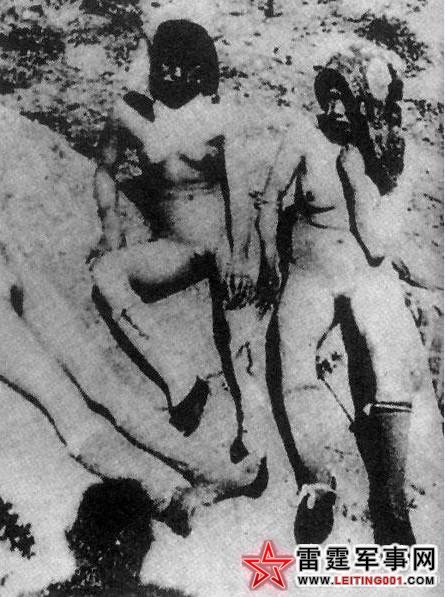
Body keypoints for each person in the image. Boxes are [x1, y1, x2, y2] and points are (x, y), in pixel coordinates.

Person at [256, 53, 438, 546]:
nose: (335, 108)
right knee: (291, 352)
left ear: (367, 105)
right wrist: (269, 254)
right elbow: (270, 198)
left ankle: (391, 501)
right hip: (311, 272)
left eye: (347, 99)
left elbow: (383, 236)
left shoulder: (386, 148)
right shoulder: (303, 134)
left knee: (391, 360)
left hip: (367, 273)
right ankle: (316, 484)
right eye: (330, 95)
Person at [0, 232, 266, 542]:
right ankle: (167, 498)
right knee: (65, 404)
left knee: (103, 381)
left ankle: (209, 471)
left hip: (7, 257)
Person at [90, 19, 258, 464]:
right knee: (106, 273)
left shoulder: (220, 113)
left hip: (222, 241)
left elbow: (240, 191)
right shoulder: (131, 113)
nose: (170, 71)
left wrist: (240, 254)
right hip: (176, 247)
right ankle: (181, 380)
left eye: (182, 63)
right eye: (163, 61)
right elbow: (104, 168)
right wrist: (111, 228)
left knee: (237, 330)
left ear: (200, 69)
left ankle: (251, 429)